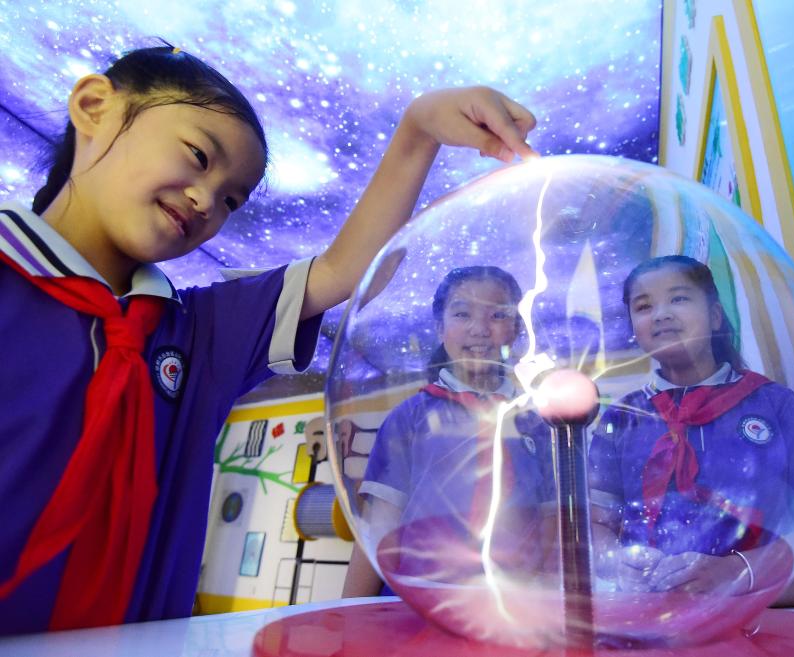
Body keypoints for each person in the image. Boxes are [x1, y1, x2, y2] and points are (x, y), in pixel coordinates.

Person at [0, 45, 537, 635]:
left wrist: (418, 131)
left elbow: (343, 271)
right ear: (93, 106)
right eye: (198, 155)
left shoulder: (196, 331)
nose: (207, 200)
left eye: (232, 200)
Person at [588, 255, 794, 606]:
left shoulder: (777, 405)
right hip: (653, 621)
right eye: (644, 306)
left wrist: (736, 576)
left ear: (716, 315)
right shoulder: (620, 419)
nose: (660, 314)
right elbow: (595, 527)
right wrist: (617, 564)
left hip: (769, 618)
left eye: (679, 298)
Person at [342, 266, 554, 598]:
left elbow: (552, 522)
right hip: (418, 599)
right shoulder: (408, 419)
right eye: (462, 313)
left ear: (516, 329)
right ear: (440, 329)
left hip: (512, 602)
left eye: (498, 315)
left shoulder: (539, 424)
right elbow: (380, 526)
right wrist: (351, 613)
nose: (479, 329)